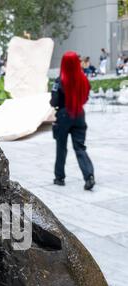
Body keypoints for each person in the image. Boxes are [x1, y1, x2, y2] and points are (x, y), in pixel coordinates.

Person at [50, 51, 95, 191]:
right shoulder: (84, 80)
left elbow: (54, 102)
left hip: (63, 115)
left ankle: (59, 178)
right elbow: (85, 97)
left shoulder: (59, 81)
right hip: (79, 114)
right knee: (80, 147)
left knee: (61, 148)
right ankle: (89, 176)